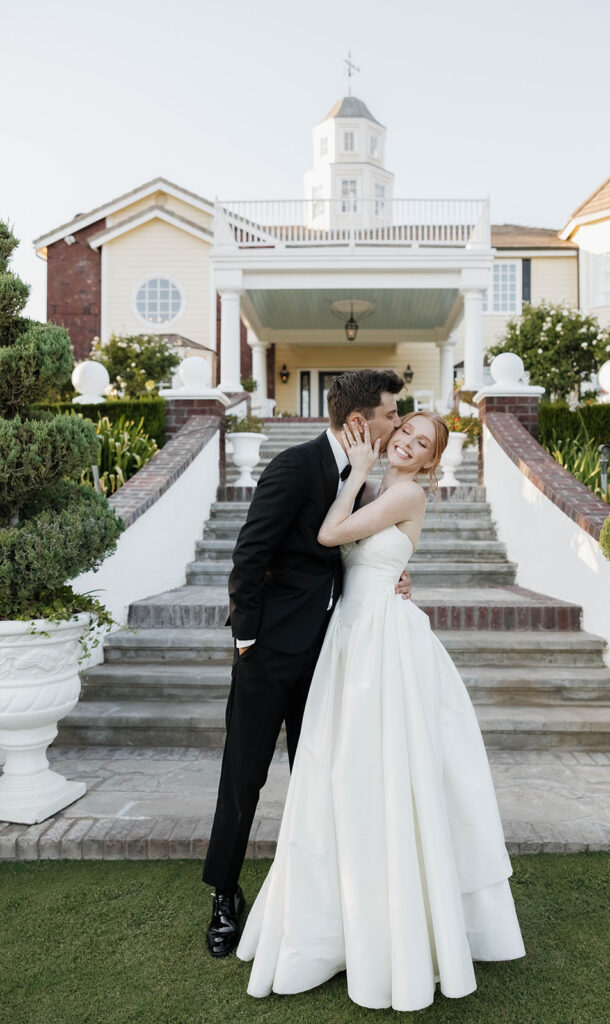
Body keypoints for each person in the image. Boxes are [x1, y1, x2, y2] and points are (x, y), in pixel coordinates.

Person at [236, 411, 526, 1012]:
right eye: (406, 432)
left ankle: (403, 916)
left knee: (387, 770)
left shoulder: (405, 492)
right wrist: (362, 485)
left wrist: (358, 470)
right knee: (346, 772)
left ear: (430, 462)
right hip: (350, 634)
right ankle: (344, 916)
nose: (408, 444)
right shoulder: (375, 489)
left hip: (383, 642)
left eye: (423, 444)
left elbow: (330, 535)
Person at [203, 369, 410, 957]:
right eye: (391, 414)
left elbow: (358, 549)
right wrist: (247, 639)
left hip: (331, 650)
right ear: (358, 421)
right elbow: (250, 553)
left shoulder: (365, 477)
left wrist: (397, 575)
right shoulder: (295, 466)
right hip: (269, 651)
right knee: (244, 775)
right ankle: (224, 894)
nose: (397, 423)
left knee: (318, 772)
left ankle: (316, 894)